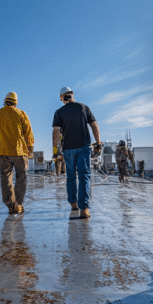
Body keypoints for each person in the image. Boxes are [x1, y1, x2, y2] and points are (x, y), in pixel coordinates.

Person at [52, 86, 102, 219]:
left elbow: (56, 132)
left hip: (68, 149)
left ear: (62, 98)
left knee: (71, 176)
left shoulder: (59, 112)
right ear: (72, 95)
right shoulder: (83, 108)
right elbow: (94, 126)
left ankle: (74, 203)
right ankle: (84, 209)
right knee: (84, 176)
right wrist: (98, 142)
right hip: (84, 147)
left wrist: (55, 151)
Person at [0, 91, 34, 214]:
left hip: (4, 153)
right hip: (20, 152)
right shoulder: (21, 113)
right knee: (21, 178)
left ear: (5, 101)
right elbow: (28, 133)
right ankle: (18, 203)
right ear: (15, 102)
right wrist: (30, 149)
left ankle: (10, 204)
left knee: (6, 178)